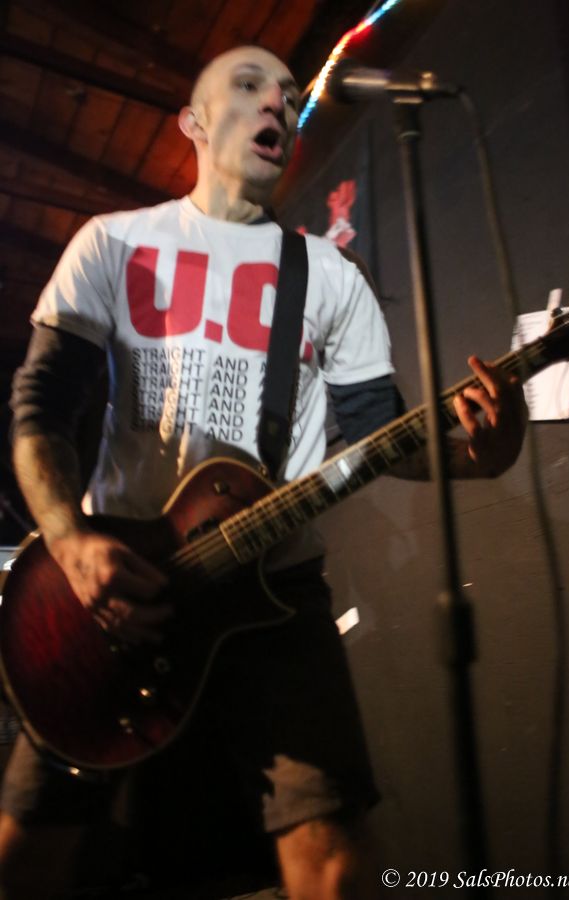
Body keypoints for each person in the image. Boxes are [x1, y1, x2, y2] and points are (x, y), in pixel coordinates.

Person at [0, 45, 526, 900]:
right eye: (249, 86)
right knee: (29, 855)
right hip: (113, 595)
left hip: (274, 595)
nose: (276, 102)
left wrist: (482, 456)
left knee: (334, 861)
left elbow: (379, 436)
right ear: (193, 122)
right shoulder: (114, 243)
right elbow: (39, 410)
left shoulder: (330, 276)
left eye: (286, 91)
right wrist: (68, 542)